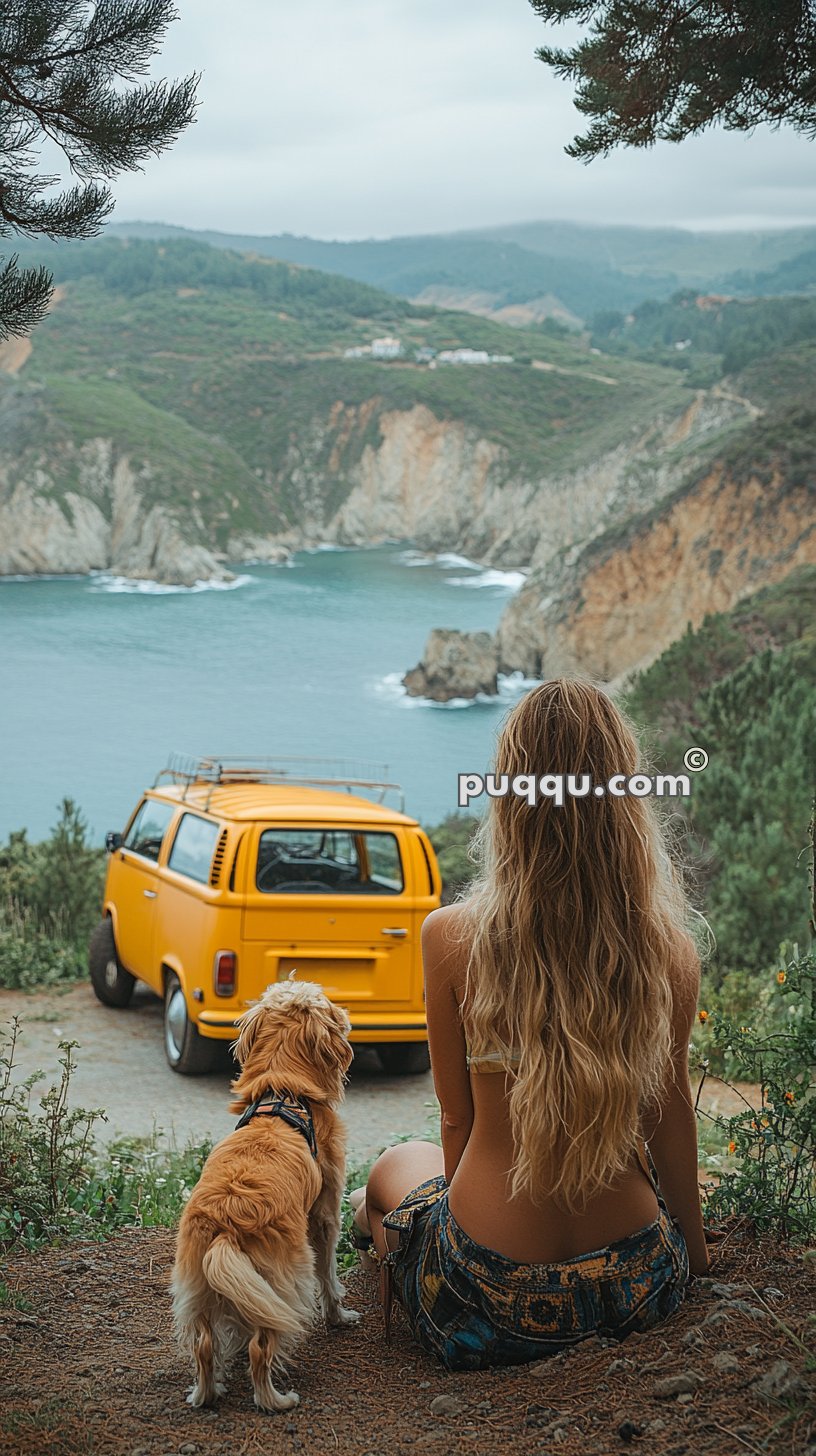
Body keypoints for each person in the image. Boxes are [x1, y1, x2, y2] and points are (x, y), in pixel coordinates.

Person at [350, 678, 710, 1371]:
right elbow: (669, 1121)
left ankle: (377, 1224)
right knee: (403, 1177)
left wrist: (456, 1236)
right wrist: (692, 1260)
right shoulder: (669, 952)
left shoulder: (453, 937)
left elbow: (455, 1121)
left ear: (510, 795)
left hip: (491, 1296)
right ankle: (381, 1221)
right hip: (635, 1282)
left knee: (397, 1165)